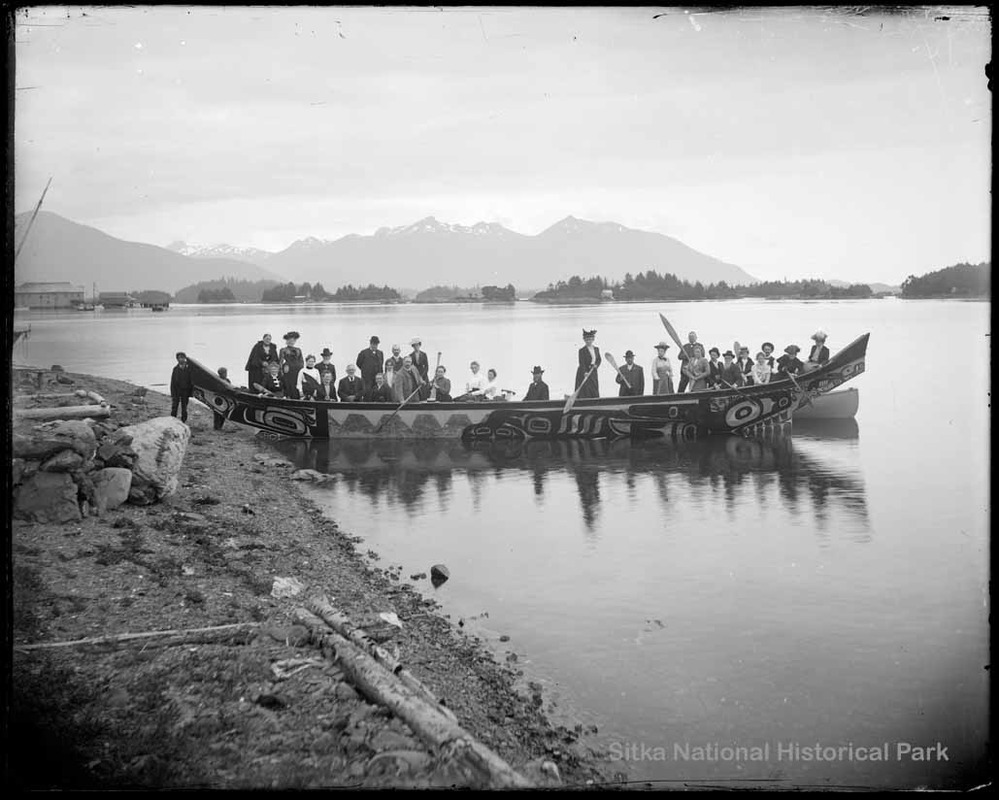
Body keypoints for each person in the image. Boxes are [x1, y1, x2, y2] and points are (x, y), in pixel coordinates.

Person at [575, 329, 601, 399]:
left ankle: (595, 401)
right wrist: (584, 372)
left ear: (593, 339)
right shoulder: (582, 351)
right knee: (585, 389)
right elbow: (582, 363)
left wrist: (596, 365)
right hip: (584, 372)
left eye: (590, 339)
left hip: (593, 371)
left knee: (594, 387)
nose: (588, 341)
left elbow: (599, 359)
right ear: (584, 340)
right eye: (587, 340)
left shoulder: (596, 349)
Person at [170, 351, 194, 422]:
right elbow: (173, 382)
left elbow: (192, 381)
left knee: (184, 407)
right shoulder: (175, 369)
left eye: (182, 358)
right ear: (177, 359)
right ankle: (172, 420)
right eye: (179, 358)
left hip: (185, 391)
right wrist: (173, 393)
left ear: (185, 358)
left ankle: (183, 421)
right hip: (177, 390)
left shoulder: (189, 369)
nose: (181, 359)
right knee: (174, 406)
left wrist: (192, 392)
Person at [279, 331, 304, 399]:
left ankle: (297, 398)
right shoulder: (283, 350)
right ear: (287, 340)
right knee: (288, 383)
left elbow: (302, 361)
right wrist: (281, 371)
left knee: (297, 383)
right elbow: (280, 361)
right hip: (288, 369)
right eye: (289, 340)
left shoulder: (298, 350)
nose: (291, 341)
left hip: (297, 369)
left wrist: (301, 370)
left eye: (293, 340)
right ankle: (288, 397)